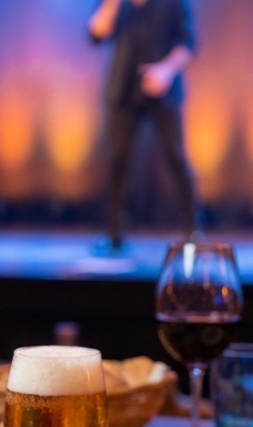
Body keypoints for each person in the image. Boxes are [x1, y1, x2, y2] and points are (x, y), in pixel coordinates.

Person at [90, 0, 198, 251]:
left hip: (163, 89)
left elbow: (188, 43)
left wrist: (165, 71)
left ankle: (192, 230)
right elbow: (97, 34)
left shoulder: (173, 3)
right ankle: (115, 234)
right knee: (117, 161)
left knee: (176, 158)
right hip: (123, 90)